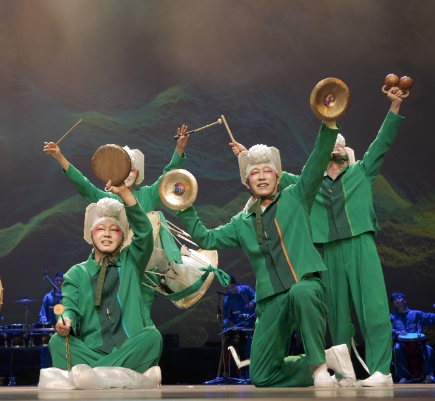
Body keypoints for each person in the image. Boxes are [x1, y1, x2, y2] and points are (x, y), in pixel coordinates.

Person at [230, 86, 406, 387]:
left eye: (339, 145)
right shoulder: (308, 184)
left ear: (346, 150)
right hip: (327, 251)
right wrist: (246, 156)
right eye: (330, 146)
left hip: (360, 243)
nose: (334, 149)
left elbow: (382, 142)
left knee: (373, 308)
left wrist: (395, 107)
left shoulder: (361, 171)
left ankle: (382, 370)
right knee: (336, 315)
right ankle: (343, 371)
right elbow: (267, 177)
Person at [177, 121, 356, 388]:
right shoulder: (241, 222)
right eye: (254, 173)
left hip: (305, 285)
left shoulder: (296, 196)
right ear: (246, 181)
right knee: (261, 376)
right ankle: (328, 358)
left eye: (267, 171)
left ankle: (319, 368)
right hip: (270, 301)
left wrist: (328, 123)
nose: (261, 177)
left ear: (277, 176)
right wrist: (183, 205)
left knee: (301, 292)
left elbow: (318, 160)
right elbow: (206, 238)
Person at [43, 125, 190, 322]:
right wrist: (60, 157)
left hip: (143, 271)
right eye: (122, 169)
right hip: (113, 269)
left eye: (131, 169)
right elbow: (84, 185)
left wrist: (179, 149)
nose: (126, 174)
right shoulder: (107, 199)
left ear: (137, 173)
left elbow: (167, 178)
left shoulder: (147, 195)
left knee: (141, 320)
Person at [48, 181, 162, 384]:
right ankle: (126, 376)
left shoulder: (131, 261)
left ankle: (94, 377)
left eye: (114, 229)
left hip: (129, 348)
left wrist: (125, 193)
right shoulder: (76, 273)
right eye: (100, 229)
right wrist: (65, 321)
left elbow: (144, 232)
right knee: (57, 342)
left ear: (123, 236)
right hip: (92, 352)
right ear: (91, 235)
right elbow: (68, 306)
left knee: (152, 337)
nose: (107, 234)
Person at [390, 292, 435, 382]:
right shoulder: (391, 317)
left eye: (399, 298)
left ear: (404, 300)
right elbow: (387, 330)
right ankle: (403, 376)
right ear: (393, 303)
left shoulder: (416, 314)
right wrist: (396, 332)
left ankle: (428, 375)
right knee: (396, 349)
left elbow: (430, 318)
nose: (397, 300)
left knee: (429, 349)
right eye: (394, 299)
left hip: (418, 343)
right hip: (402, 344)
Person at [222, 275, 256, 378]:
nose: (230, 290)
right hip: (241, 330)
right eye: (228, 288)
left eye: (232, 287)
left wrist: (252, 302)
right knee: (243, 351)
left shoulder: (246, 290)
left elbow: (257, 297)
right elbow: (226, 317)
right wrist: (225, 324)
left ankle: (255, 374)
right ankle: (246, 375)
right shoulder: (227, 299)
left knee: (254, 350)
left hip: (254, 326)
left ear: (235, 284)